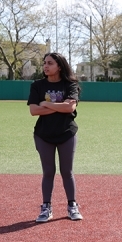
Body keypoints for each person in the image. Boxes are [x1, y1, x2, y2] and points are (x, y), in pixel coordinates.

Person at [27, 52, 83, 222]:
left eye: (50, 63)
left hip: (66, 133)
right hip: (43, 134)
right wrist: (60, 106)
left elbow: (70, 109)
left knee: (67, 171)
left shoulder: (70, 85)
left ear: (59, 66)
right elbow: (33, 111)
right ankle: (46, 208)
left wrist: (46, 104)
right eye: (44, 63)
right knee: (48, 172)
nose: (46, 66)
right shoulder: (37, 85)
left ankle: (72, 206)